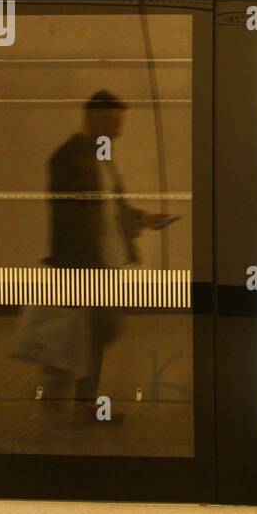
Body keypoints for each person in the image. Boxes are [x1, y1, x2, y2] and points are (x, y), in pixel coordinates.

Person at [44, 91, 169, 422]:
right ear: (93, 120)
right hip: (83, 264)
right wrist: (72, 266)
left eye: (119, 123)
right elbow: (69, 218)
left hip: (102, 262)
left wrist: (143, 220)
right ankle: (82, 398)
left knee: (97, 331)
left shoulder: (102, 158)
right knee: (98, 331)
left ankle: (61, 375)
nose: (118, 131)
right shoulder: (67, 158)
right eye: (113, 122)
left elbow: (112, 208)